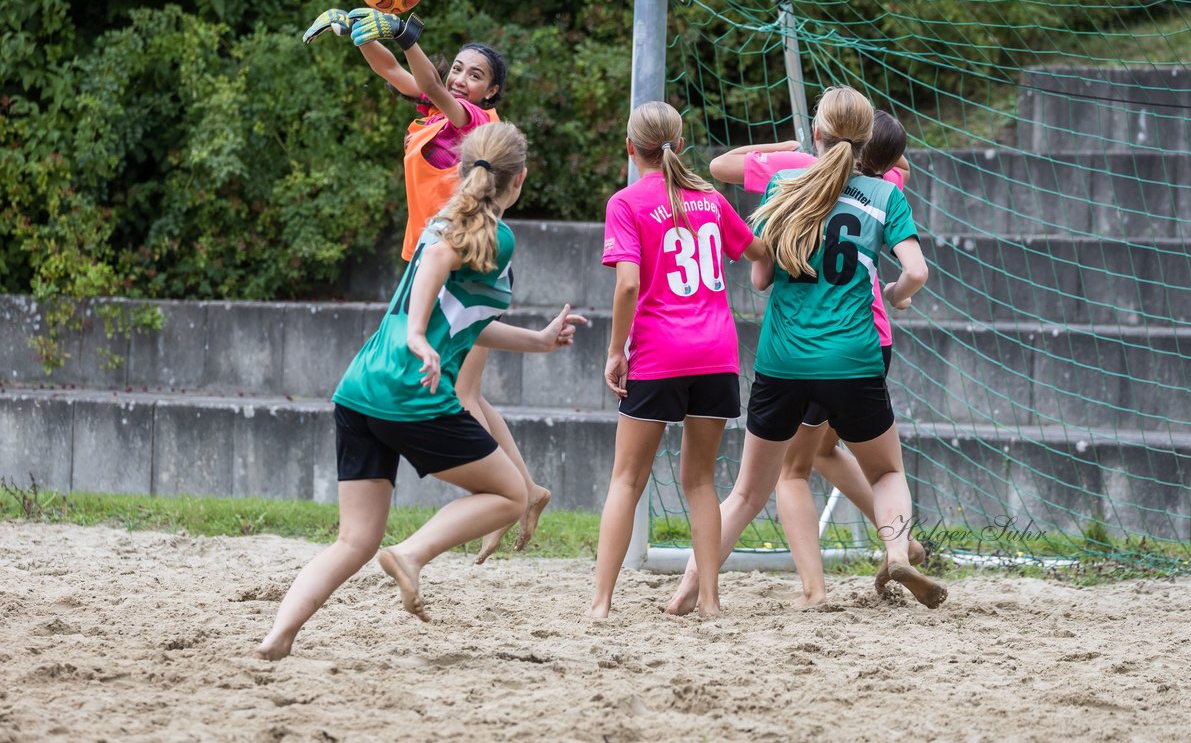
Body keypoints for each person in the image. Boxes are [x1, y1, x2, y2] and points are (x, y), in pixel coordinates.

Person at [252, 122, 587, 660]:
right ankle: (410, 555)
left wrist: (540, 341)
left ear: (463, 169)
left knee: (355, 540)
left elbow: (466, 324)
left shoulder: (450, 219)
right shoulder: (496, 236)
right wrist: (414, 334)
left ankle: (279, 635)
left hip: (361, 388)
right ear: (519, 179)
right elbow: (433, 267)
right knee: (512, 495)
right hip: (413, 392)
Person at [665, 87, 947, 614]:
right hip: (854, 359)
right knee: (886, 472)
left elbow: (760, 277)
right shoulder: (887, 195)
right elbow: (917, 272)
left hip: (783, 361)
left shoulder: (782, 183)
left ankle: (687, 592)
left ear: (815, 134)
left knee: (748, 494)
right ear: (867, 141)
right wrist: (895, 296)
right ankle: (896, 550)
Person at [302, 8, 547, 562]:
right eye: (458, 68)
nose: (461, 78)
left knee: (465, 393)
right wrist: (359, 33)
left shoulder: (474, 123)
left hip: (468, 262)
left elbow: (430, 82)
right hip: (435, 261)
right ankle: (522, 493)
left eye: (474, 74)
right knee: (470, 393)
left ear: (492, 91)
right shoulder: (439, 113)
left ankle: (517, 494)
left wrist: (409, 34)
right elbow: (393, 72)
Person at [591, 101, 770, 620]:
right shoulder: (710, 198)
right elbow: (757, 251)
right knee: (700, 482)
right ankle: (711, 601)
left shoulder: (626, 202)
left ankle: (601, 604)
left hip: (659, 353)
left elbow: (627, 284)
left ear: (630, 147)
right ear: (682, 145)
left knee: (627, 479)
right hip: (717, 353)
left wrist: (614, 350)